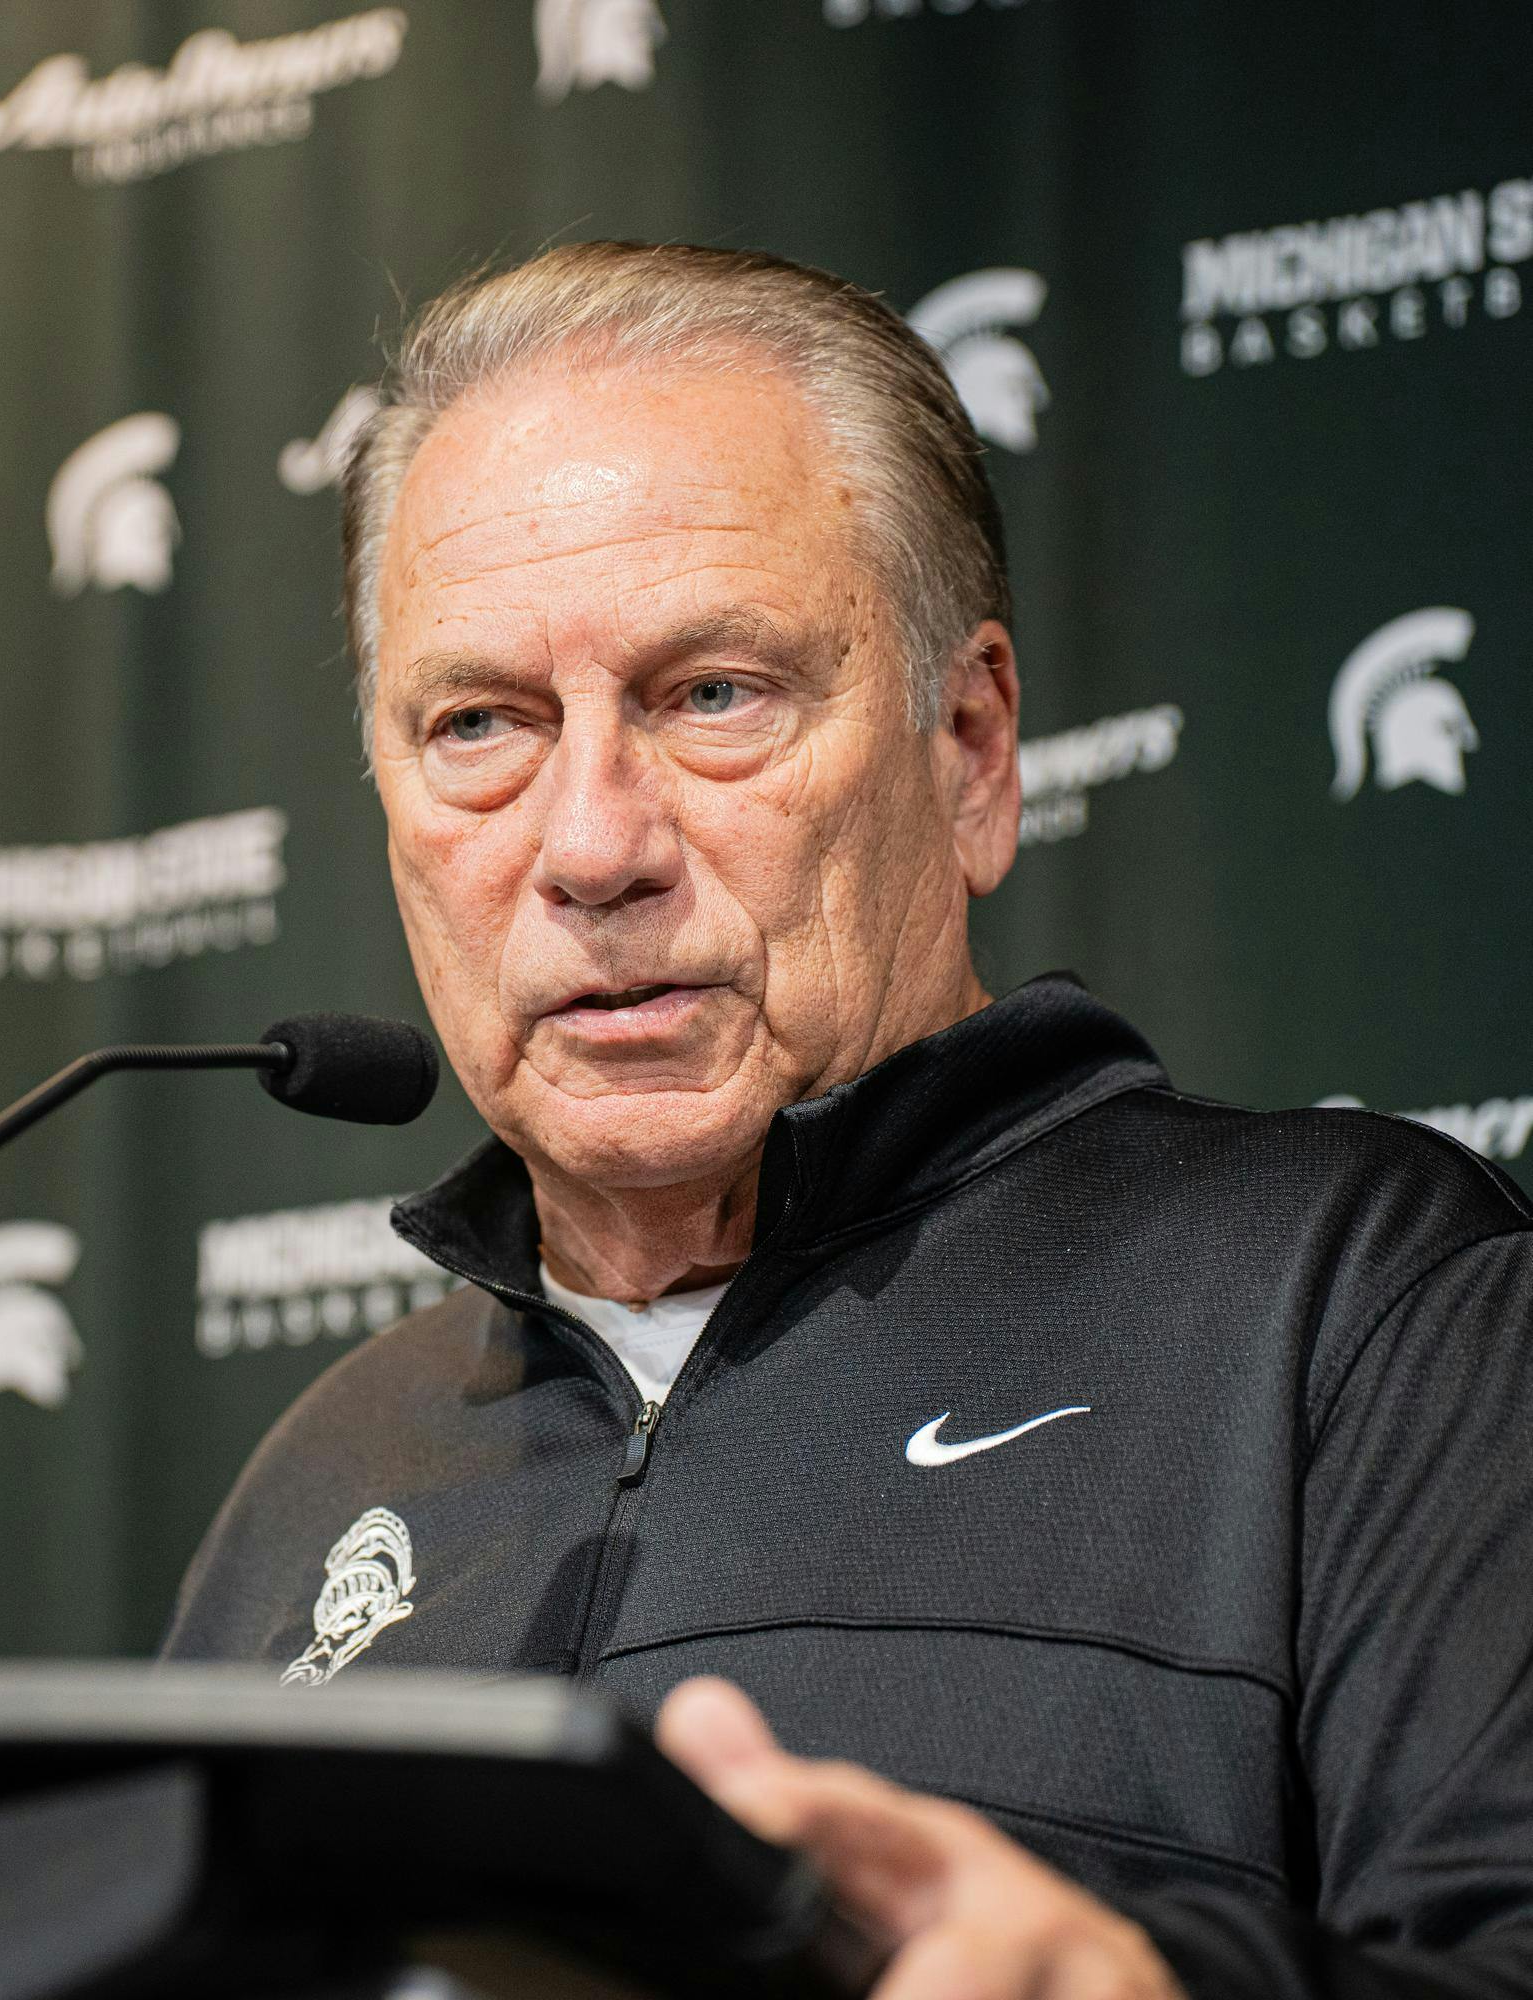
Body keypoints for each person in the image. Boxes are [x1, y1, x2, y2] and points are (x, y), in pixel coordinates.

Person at [165, 242, 1533, 1998]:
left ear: (966, 748)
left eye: (712, 696)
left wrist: (1146, 1986)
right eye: (481, 723)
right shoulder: (332, 1468)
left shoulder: (1353, 1308)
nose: (592, 846)